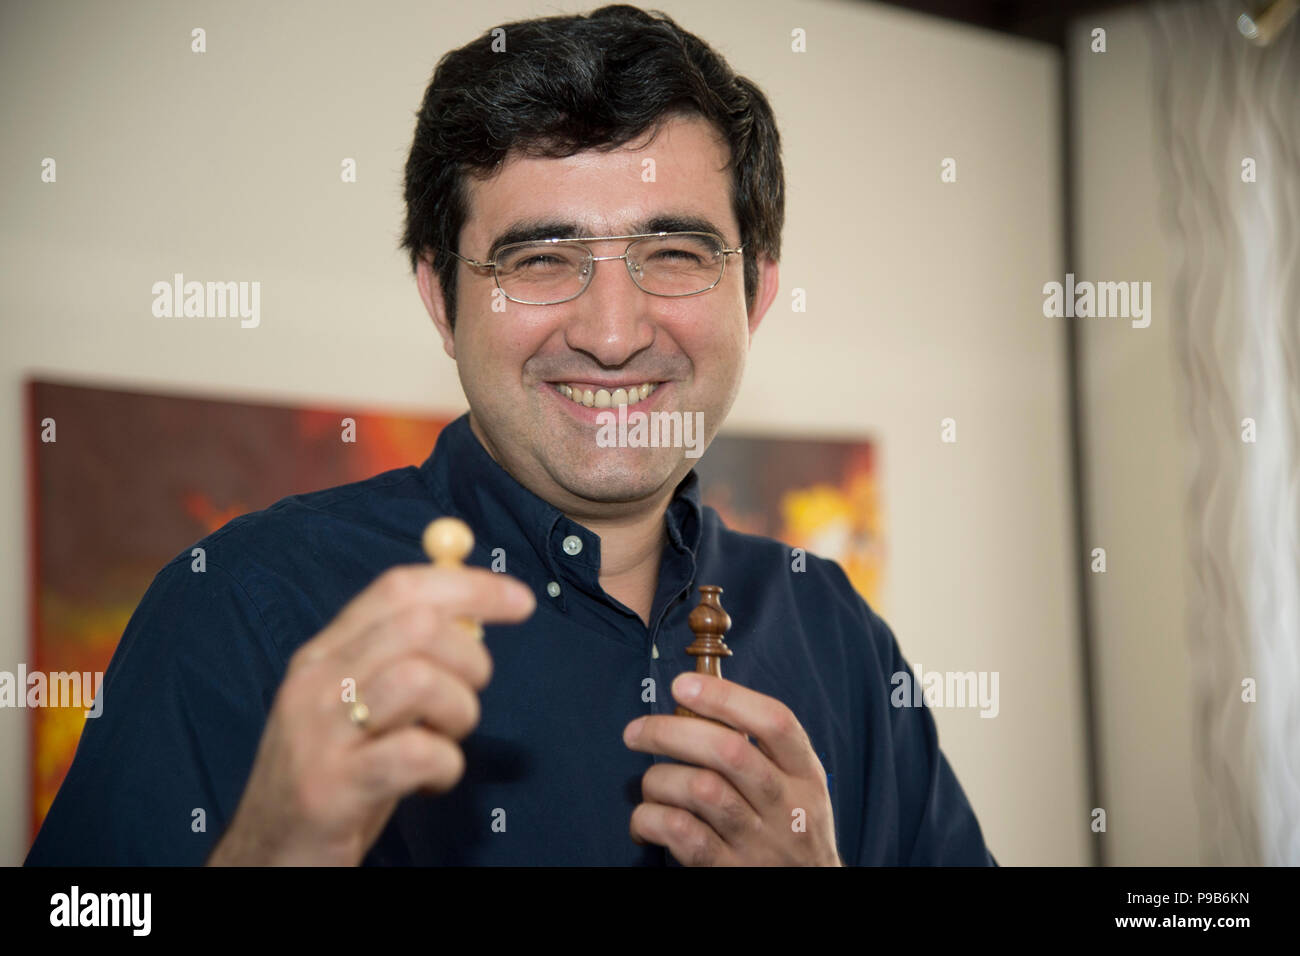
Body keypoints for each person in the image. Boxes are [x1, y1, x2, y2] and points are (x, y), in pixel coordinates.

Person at [26, 4, 995, 866]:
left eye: (673, 252)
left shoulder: (833, 628)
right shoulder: (243, 606)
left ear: (758, 294)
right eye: (538, 258)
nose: (612, 334)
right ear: (441, 303)